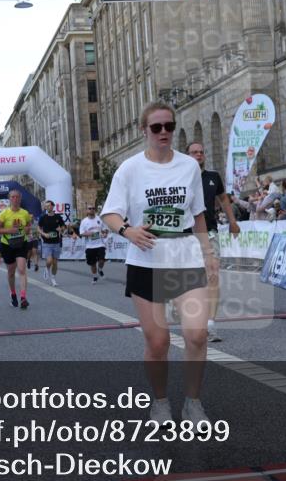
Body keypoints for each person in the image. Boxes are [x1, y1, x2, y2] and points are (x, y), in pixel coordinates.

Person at [101, 101, 214, 426]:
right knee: (158, 340)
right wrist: (128, 230)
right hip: (146, 261)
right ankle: (160, 402)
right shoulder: (130, 169)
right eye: (156, 127)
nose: (164, 132)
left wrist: (209, 254)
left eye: (169, 126)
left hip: (185, 256)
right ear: (144, 131)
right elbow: (110, 213)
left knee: (196, 335)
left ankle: (193, 404)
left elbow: (198, 215)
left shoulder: (189, 166)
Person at [187, 141, 240, 343]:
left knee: (213, 276)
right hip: (186, 235)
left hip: (209, 232)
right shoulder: (180, 177)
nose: (198, 155)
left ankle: (210, 324)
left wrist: (233, 222)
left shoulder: (213, 177)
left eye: (201, 152)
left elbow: (224, 199)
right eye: (194, 152)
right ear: (187, 156)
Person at [0, 190, 33, 308]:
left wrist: (27, 229)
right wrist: (9, 230)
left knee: (22, 269)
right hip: (7, 244)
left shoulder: (25, 213)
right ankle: (13, 294)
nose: (15, 199)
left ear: (20, 199)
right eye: (13, 197)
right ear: (9, 199)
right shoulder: (4, 214)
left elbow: (28, 226)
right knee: (11, 272)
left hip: (21, 243)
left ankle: (23, 297)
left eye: (17, 197)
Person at [38, 200, 67, 286]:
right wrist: (44, 234)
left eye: (48, 206)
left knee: (55, 263)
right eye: (46, 206)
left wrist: (61, 229)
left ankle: (53, 278)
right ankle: (47, 269)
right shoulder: (43, 217)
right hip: (47, 242)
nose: (47, 207)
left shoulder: (58, 217)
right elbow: (38, 228)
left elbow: (64, 227)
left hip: (56, 242)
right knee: (49, 260)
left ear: (52, 206)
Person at [78, 205, 107, 284]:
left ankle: (100, 269)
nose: (92, 210)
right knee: (92, 263)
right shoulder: (84, 221)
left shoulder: (99, 219)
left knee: (102, 260)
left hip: (100, 244)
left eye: (93, 208)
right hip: (90, 246)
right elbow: (81, 233)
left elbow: (104, 230)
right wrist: (89, 233)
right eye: (90, 209)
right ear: (87, 210)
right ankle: (95, 276)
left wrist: (104, 234)